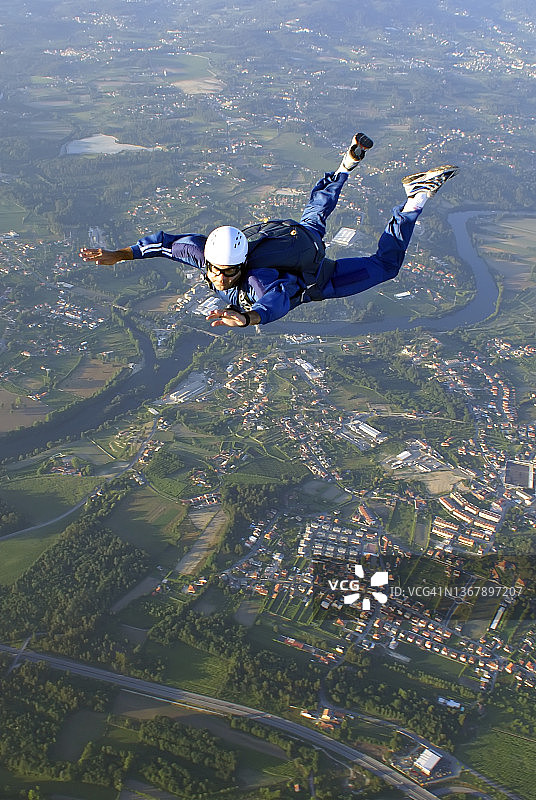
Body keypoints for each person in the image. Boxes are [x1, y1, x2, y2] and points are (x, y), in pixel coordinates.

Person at [80, 134, 458, 328]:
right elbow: (165, 244)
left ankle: (415, 198)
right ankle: (345, 165)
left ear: (243, 264)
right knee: (317, 211)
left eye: (228, 272)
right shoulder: (205, 253)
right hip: (295, 234)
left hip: (318, 278)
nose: (220, 277)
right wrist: (122, 254)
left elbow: (274, 300)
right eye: (214, 269)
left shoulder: (259, 278)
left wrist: (250, 318)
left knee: (385, 267)